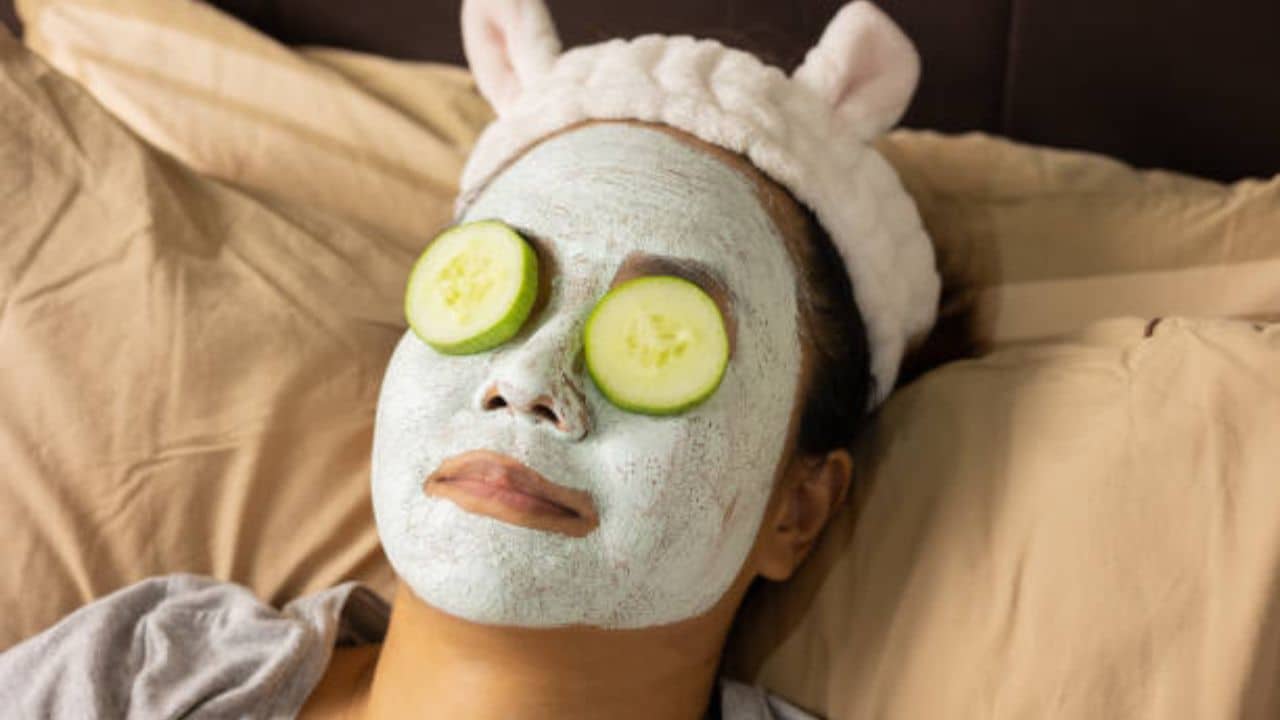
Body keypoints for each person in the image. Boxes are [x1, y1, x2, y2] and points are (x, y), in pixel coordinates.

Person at [0, 1, 940, 718]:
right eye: (493, 297)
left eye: (664, 337)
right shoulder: (147, 667)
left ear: (796, 511)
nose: (525, 382)